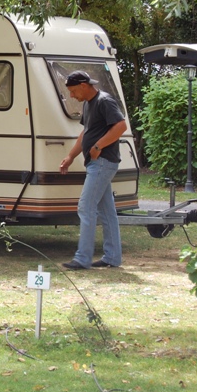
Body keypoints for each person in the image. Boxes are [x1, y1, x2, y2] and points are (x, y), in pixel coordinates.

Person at [59, 71, 127, 270]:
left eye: (72, 91)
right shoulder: (89, 104)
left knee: (85, 206)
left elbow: (121, 126)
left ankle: (82, 258)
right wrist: (70, 156)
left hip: (103, 162)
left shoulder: (104, 101)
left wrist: (98, 146)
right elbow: (85, 132)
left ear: (83, 85)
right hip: (96, 163)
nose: (72, 95)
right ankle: (112, 257)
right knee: (107, 212)